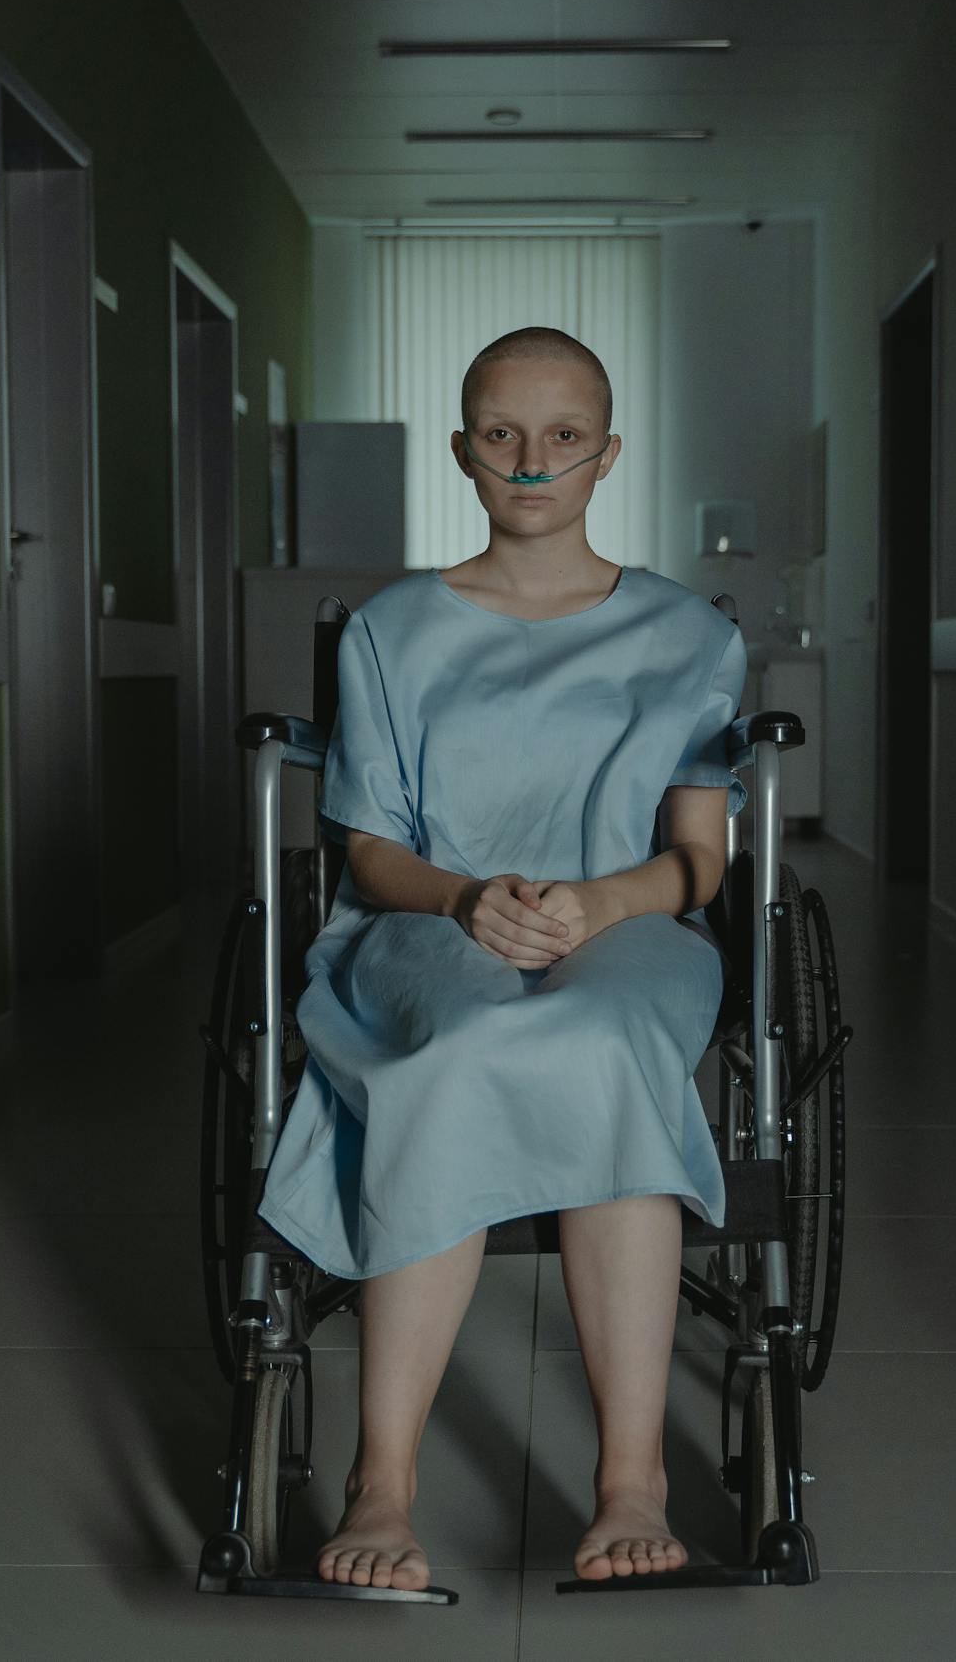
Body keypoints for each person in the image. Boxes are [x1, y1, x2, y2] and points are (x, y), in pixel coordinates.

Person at [256, 326, 750, 1591]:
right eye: (502, 435)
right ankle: (384, 1484)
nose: (532, 462)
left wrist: (596, 903)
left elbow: (701, 860)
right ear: (465, 450)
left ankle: (629, 1478)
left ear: (607, 454)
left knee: (605, 1042)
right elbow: (366, 847)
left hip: (630, 926)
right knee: (461, 1045)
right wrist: (469, 896)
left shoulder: (691, 635)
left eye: (564, 436)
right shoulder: (392, 630)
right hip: (423, 920)